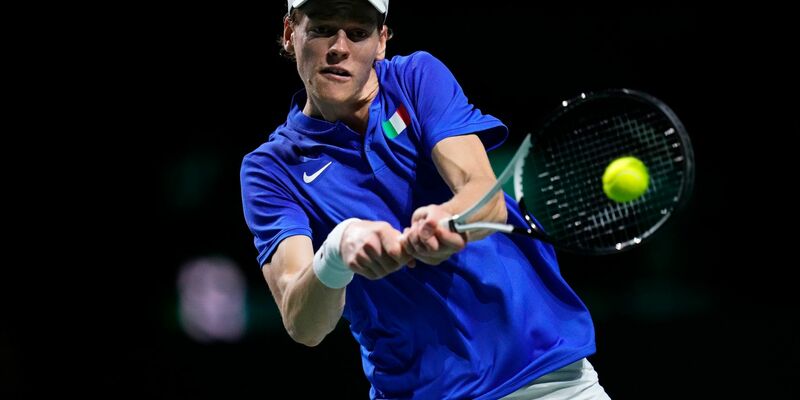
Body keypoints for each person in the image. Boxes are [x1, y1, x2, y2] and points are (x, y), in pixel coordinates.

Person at [240, 0, 612, 398]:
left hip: (545, 376)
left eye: (358, 33)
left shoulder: (416, 78)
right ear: (289, 34)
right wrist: (337, 251)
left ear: (381, 41)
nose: (339, 47)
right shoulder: (270, 170)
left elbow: (483, 195)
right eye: (322, 29)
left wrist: (448, 221)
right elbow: (303, 324)